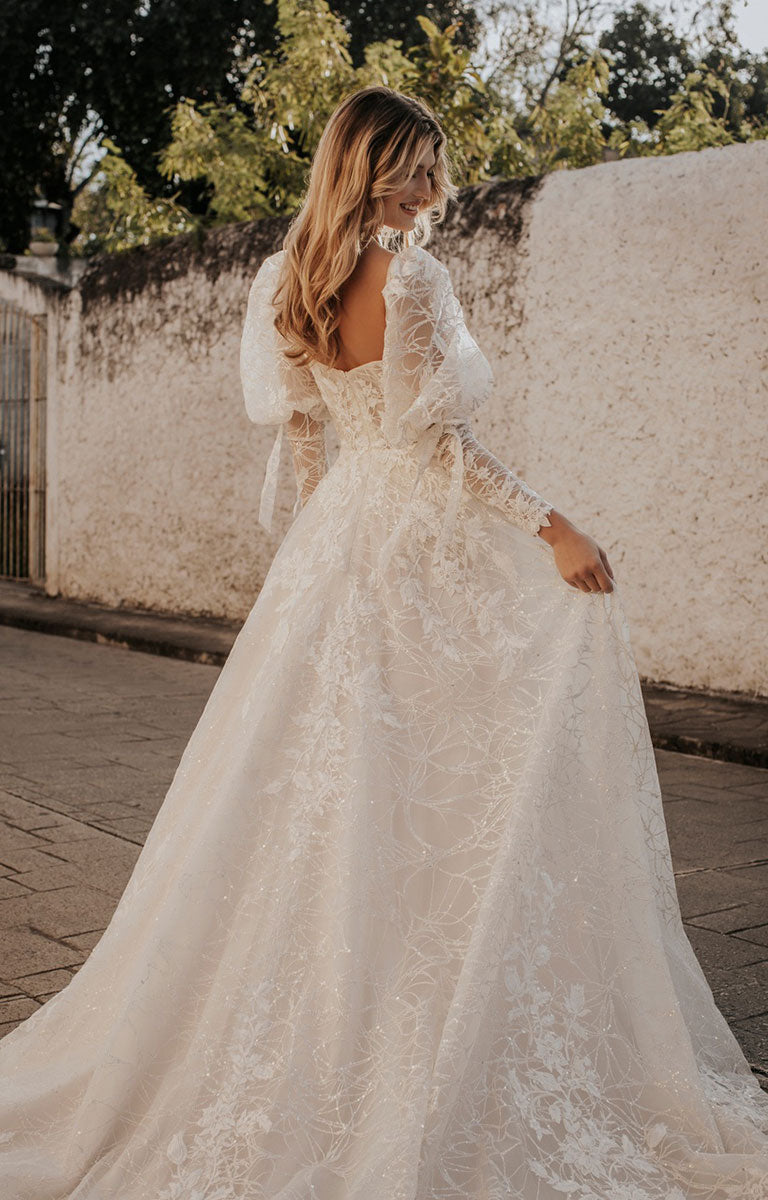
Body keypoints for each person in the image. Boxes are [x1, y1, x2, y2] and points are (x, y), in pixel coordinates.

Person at [0, 83, 766, 1200]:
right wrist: (556, 528)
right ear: (369, 169)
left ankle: (350, 1004)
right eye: (416, 166)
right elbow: (442, 450)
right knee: (429, 785)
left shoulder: (289, 281)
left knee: (332, 795)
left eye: (436, 167)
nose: (435, 187)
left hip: (339, 553)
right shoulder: (411, 274)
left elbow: (314, 455)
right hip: (413, 550)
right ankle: (395, 1021)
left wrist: (313, 571)